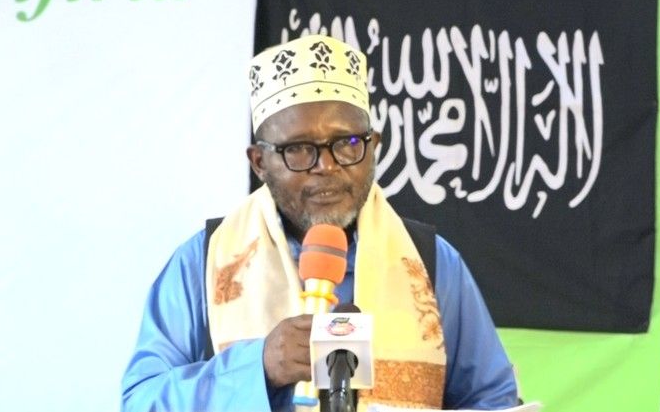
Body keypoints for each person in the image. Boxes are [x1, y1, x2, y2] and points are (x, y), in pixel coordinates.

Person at [121, 34, 518, 412]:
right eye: (298, 149)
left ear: (374, 146)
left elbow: (493, 400)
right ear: (259, 162)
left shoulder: (431, 262)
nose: (326, 166)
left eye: (347, 143)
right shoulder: (205, 261)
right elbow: (141, 402)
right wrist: (257, 367)